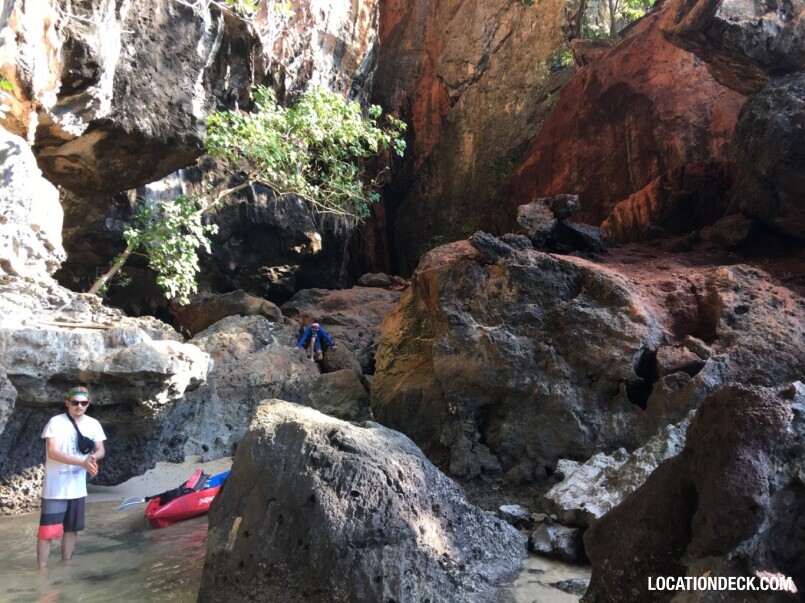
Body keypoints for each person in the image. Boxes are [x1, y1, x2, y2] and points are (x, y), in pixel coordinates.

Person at [37, 386, 106, 569]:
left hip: (77, 488)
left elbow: (101, 449)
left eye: (83, 403)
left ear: (88, 404)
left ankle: (65, 566)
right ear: (67, 403)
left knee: (72, 529)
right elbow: (52, 452)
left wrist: (93, 458)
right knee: (47, 532)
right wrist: (82, 462)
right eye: (75, 402)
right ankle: (41, 571)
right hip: (55, 488)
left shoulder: (93, 424)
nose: (79, 406)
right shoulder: (55, 422)